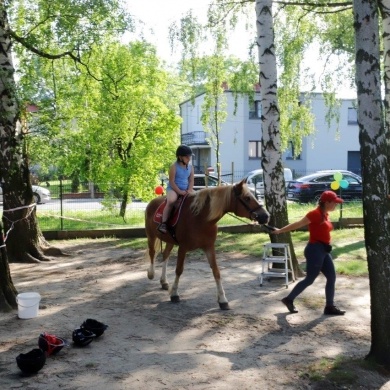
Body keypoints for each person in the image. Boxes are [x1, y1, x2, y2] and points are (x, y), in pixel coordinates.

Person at [272, 190, 346, 316]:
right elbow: (298, 224)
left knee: (331, 277)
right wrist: (280, 231)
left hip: (323, 250)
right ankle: (289, 299)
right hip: (314, 250)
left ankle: (329, 306)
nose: (336, 205)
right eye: (334, 203)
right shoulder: (315, 214)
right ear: (327, 202)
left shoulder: (325, 214)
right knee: (310, 279)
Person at [158, 145, 194, 234]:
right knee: (171, 200)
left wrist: (189, 190)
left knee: (197, 199)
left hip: (186, 189)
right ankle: (164, 223)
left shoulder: (191, 167)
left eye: (189, 156)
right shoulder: (174, 166)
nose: (189, 158)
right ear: (180, 157)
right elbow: (172, 181)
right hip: (173, 189)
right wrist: (180, 192)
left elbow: (191, 180)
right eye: (186, 156)